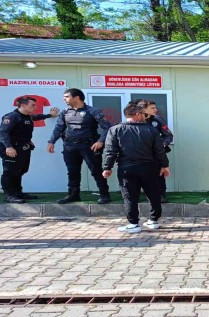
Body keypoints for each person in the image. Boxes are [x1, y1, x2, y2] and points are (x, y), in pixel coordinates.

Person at [102, 103, 170, 234]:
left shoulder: (115, 129)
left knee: (129, 196)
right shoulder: (151, 130)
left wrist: (107, 167)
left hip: (127, 169)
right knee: (153, 194)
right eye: (144, 114)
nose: (146, 117)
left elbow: (110, 151)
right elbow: (159, 151)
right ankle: (153, 220)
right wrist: (164, 165)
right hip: (149, 168)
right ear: (137, 115)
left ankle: (133, 224)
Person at [48, 88, 112, 205]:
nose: (64, 99)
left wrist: (100, 141)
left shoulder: (93, 111)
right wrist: (51, 141)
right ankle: (73, 195)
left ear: (76, 97)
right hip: (70, 146)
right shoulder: (65, 112)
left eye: (67, 97)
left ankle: (104, 195)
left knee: (96, 171)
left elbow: (108, 127)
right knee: (72, 172)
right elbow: (59, 128)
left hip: (89, 146)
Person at [0, 96, 58, 203]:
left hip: (23, 148)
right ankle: (9, 195)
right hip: (12, 148)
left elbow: (37, 117)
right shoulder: (11, 117)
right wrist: (8, 147)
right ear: (23, 105)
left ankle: (17, 193)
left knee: (20, 170)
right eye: (33, 105)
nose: (36, 107)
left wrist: (49, 115)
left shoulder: (27, 116)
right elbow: (3, 132)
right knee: (9, 172)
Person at [137, 100, 174, 203]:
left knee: (160, 174)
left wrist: (161, 145)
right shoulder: (136, 121)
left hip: (157, 153)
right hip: (140, 153)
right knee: (140, 174)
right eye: (152, 108)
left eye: (155, 107)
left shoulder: (158, 120)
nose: (156, 110)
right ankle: (137, 194)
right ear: (143, 109)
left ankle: (161, 194)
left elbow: (168, 136)